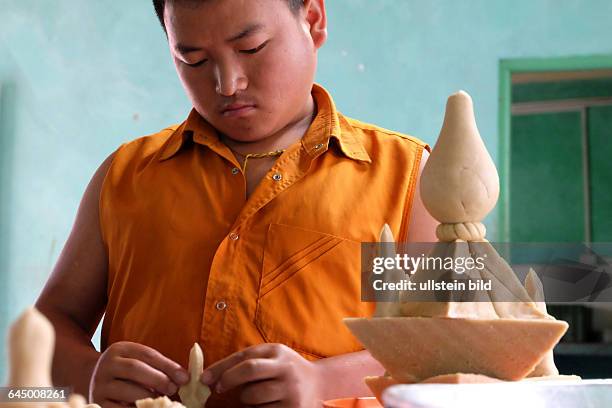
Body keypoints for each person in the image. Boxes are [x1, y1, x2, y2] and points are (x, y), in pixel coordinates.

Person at [35, 0, 438, 407]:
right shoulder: (124, 175)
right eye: (193, 59)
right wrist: (88, 375)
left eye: (251, 48)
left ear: (313, 21)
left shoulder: (413, 176)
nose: (227, 83)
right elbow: (49, 323)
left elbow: (463, 347)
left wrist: (323, 382)